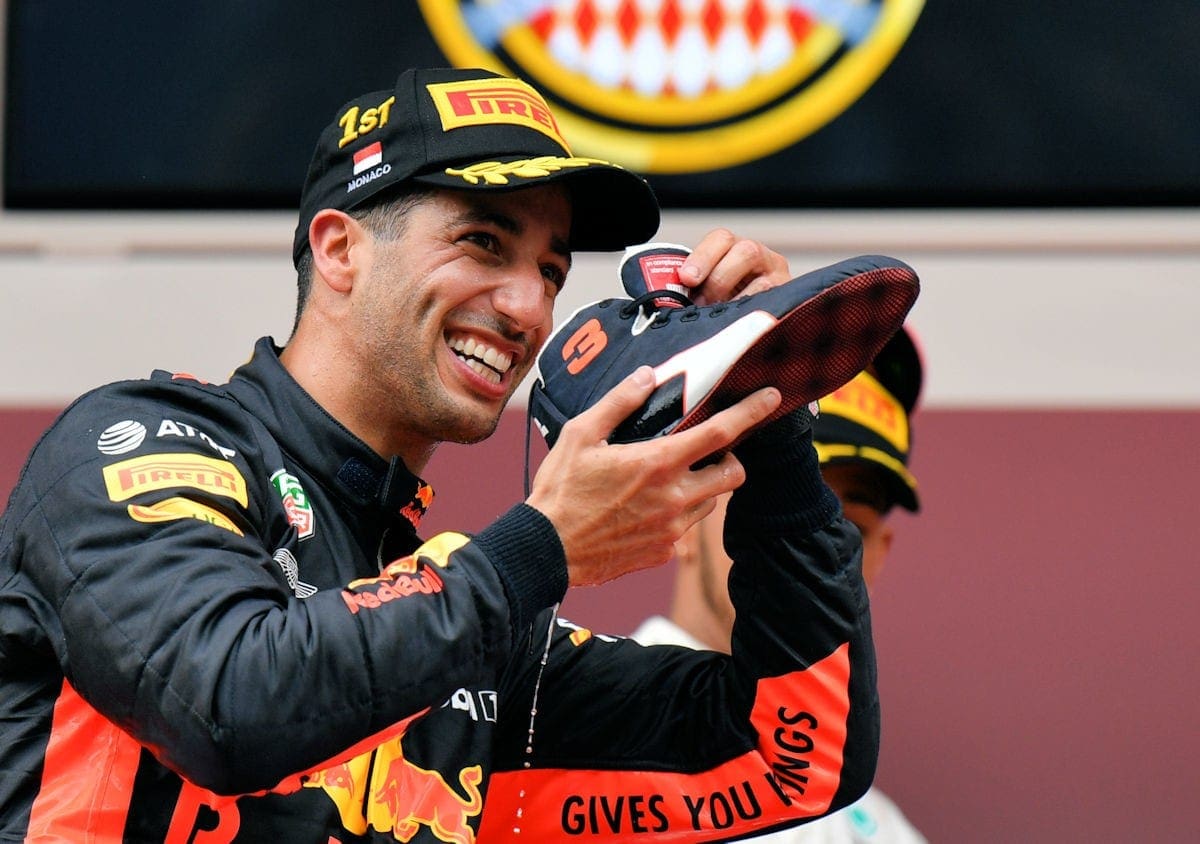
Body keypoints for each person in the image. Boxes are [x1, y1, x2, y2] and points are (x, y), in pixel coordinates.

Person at [0, 67, 882, 842]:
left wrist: (768, 409)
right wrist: (541, 549)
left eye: (550, 271)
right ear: (339, 249)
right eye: (483, 243)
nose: (529, 309)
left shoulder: (478, 636)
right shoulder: (135, 442)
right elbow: (224, 706)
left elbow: (794, 759)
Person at [633, 327, 928, 842]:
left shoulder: (875, 826)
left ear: (878, 555)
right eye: (776, 507)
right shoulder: (568, 731)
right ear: (685, 512)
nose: (818, 553)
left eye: (848, 528)